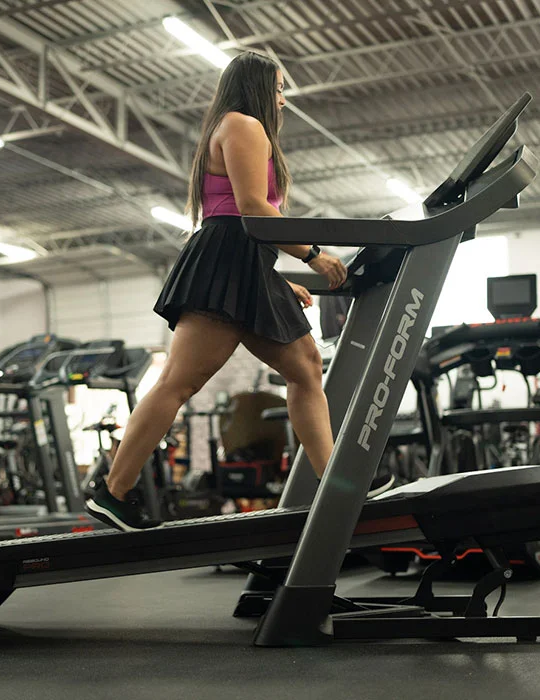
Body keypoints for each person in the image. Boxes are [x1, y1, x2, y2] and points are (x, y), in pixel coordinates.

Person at [85, 51, 393, 531]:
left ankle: (337, 480)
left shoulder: (235, 127)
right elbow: (250, 209)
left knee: (306, 367)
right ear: (255, 89)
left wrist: (274, 279)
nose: (283, 100)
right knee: (179, 382)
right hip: (227, 259)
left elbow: (242, 220)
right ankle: (113, 491)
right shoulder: (244, 125)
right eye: (277, 89)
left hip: (243, 261)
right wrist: (313, 254)